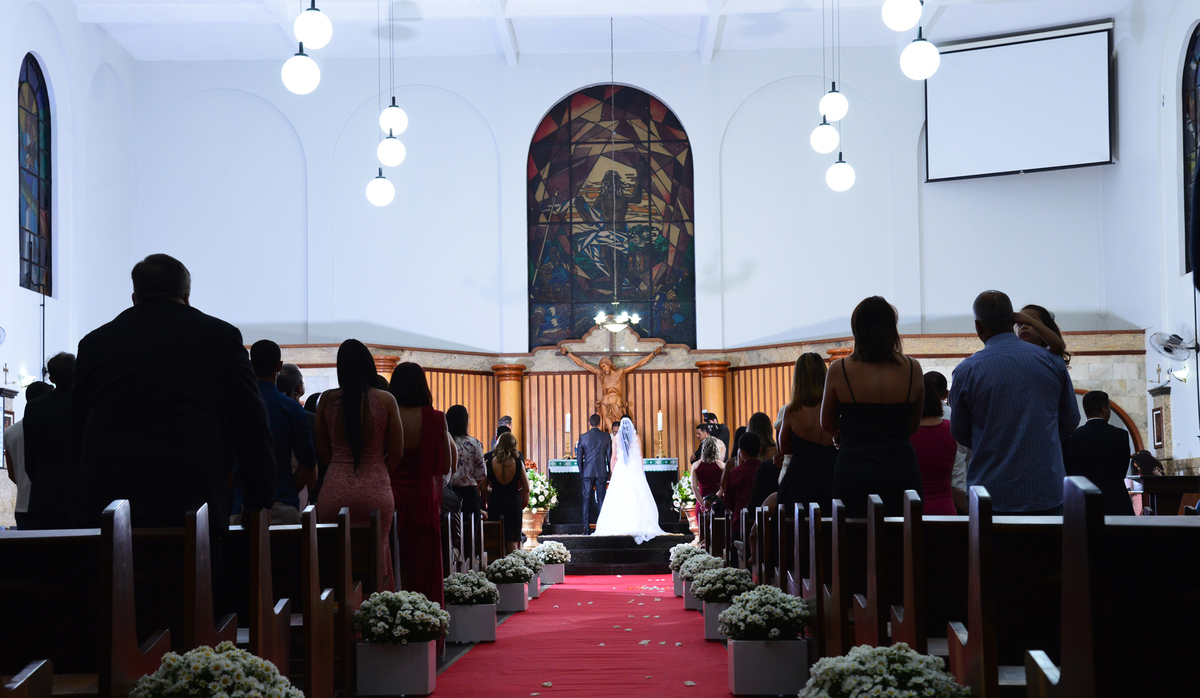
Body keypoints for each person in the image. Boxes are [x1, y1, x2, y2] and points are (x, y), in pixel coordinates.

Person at [72, 254, 275, 531]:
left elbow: (78, 426)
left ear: (134, 296)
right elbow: (250, 424)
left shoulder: (95, 343)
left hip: (109, 503)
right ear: (187, 296)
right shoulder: (220, 337)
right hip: (192, 500)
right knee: (196, 574)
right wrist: (257, 501)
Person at [950, 291, 1079, 514]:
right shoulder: (1051, 361)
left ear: (978, 327)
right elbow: (1070, 420)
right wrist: (1039, 440)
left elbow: (961, 433)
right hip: (1046, 488)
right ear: (1013, 322)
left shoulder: (966, 371)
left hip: (990, 492)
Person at [822, 296, 924, 518]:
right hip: (901, 467)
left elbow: (827, 423)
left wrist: (847, 432)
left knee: (852, 543)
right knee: (903, 541)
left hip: (854, 468)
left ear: (857, 328)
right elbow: (913, 426)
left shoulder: (840, 369)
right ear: (891, 328)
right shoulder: (912, 368)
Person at [314, 340, 405, 587]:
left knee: (335, 561)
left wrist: (339, 469)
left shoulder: (327, 400)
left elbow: (322, 449)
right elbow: (397, 452)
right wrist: (378, 472)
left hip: (335, 490)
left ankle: (334, 618)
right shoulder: (386, 400)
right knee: (377, 556)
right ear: (369, 366)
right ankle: (378, 617)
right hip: (375, 491)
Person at [388, 362, 453, 605]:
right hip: (422, 499)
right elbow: (446, 466)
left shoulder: (388, 414)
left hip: (390, 496)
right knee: (421, 563)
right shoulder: (436, 418)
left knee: (393, 560)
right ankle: (423, 615)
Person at [250, 340, 317, 525]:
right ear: (279, 366)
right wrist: (289, 488)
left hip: (244, 504)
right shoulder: (292, 409)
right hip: (284, 504)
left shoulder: (237, 407)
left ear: (251, 364)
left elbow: (227, 463)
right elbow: (308, 461)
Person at [776, 353, 837, 516]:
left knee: (794, 528)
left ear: (798, 379)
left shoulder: (791, 410)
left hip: (801, 478)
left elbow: (785, 448)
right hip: (835, 472)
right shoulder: (836, 407)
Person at [23, 353, 78, 530]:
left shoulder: (34, 407)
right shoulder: (87, 402)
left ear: (51, 378)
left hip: (44, 498)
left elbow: (29, 459)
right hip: (80, 496)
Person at [593, 417, 667, 543]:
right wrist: (641, 472)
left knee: (621, 496)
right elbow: (640, 456)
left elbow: (614, 457)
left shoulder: (616, 438)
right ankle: (638, 523)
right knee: (636, 495)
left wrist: (613, 472)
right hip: (634, 469)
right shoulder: (636, 437)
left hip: (621, 470)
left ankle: (621, 522)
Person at [1064, 391, 1135, 516]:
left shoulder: (1073, 436)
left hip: (1084, 503)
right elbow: (1123, 468)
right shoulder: (1120, 435)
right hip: (1116, 502)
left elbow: (1069, 470)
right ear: (1104, 410)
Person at [3, 381, 53, 529]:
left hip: (22, 504)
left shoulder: (10, 431)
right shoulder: (50, 428)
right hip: (48, 504)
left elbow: (12, 473)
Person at [910, 373, 957, 515]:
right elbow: (952, 473)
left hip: (913, 507)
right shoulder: (951, 429)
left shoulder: (906, 433)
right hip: (946, 507)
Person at [484, 432, 529, 553]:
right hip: (513, 504)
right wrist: (513, 494)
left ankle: (497, 569)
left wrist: (494, 492)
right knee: (512, 543)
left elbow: (483, 488)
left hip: (495, 503)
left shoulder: (489, 462)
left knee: (496, 540)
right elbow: (526, 488)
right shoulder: (518, 463)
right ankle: (512, 569)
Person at [445, 405, 486, 517]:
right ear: (465, 422)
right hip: (469, 494)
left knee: (448, 531)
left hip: (447, 492)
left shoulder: (444, 442)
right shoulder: (474, 443)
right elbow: (481, 473)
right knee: (471, 532)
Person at [576, 413, 611, 534]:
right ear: (600, 423)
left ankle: (586, 527)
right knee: (601, 499)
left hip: (587, 471)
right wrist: (610, 472)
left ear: (589, 423)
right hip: (601, 471)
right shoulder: (606, 436)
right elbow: (609, 456)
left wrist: (582, 472)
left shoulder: (583, 437)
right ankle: (602, 527)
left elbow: (579, 458)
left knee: (586, 499)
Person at [722, 431, 762, 537]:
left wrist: (736, 510)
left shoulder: (735, 473)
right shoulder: (766, 469)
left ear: (741, 453)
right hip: (764, 521)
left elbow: (728, 499)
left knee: (738, 551)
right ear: (760, 450)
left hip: (740, 521)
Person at [747, 412, 781, 510]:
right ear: (769, 429)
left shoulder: (747, 454)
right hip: (776, 503)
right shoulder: (778, 451)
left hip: (752, 503)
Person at [691, 436, 724, 512]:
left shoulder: (695, 466)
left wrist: (703, 504)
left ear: (703, 448)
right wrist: (712, 503)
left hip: (701, 502)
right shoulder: (722, 466)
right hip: (718, 503)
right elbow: (722, 488)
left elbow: (694, 487)